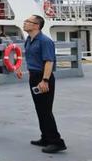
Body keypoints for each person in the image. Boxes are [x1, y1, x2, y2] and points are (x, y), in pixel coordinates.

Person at [15, 15, 67, 153]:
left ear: (36, 25)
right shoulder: (29, 39)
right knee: (40, 109)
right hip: (34, 76)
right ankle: (46, 137)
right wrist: (20, 68)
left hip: (43, 77)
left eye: (28, 21)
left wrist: (45, 80)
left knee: (45, 110)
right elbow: (30, 57)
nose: (25, 23)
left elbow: (49, 61)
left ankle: (57, 142)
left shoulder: (45, 41)